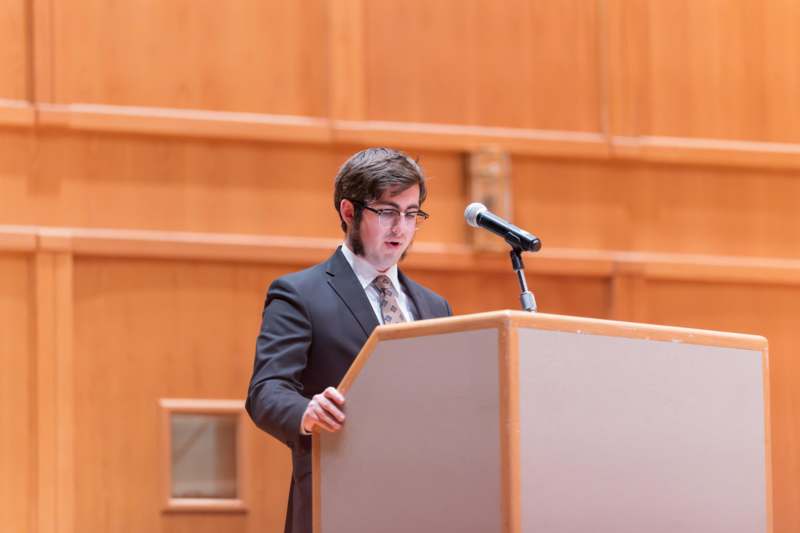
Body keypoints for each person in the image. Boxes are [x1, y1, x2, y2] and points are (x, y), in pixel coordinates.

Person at [245, 147, 453, 533]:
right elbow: (266, 391)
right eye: (387, 212)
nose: (401, 228)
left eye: (411, 214)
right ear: (348, 211)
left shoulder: (433, 305)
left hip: (425, 503)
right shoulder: (299, 293)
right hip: (339, 500)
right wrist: (307, 412)